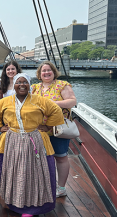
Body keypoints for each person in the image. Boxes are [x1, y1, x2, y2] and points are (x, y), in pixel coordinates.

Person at [0, 73, 64, 217]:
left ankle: (33, 207)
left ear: (29, 85)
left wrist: (47, 126)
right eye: (18, 82)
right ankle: (14, 203)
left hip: (34, 140)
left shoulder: (39, 100)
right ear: (14, 85)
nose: (22, 85)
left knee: (34, 173)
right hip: (12, 141)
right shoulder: (5, 101)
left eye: (25, 82)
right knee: (13, 172)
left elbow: (55, 111)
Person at [32, 61, 77, 198]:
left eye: (49, 70)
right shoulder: (35, 88)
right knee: (41, 157)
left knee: (61, 157)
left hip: (58, 129)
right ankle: (44, 185)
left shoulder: (62, 85)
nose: (46, 73)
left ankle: (61, 187)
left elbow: (72, 101)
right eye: (43, 71)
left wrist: (52, 103)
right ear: (39, 74)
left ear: (54, 72)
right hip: (40, 129)